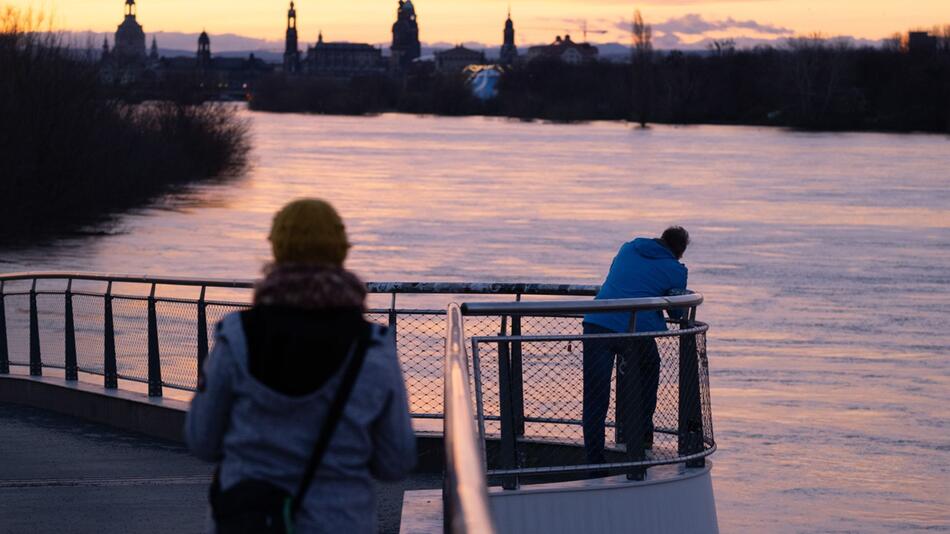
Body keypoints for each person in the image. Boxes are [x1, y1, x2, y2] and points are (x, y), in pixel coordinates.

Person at [185, 198, 416, 533]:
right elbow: (396, 462)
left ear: (277, 250)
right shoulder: (373, 348)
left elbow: (202, 440)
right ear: (340, 253)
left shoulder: (236, 338)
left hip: (246, 520)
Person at [582, 226, 690, 474]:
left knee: (595, 397)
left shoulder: (628, 247)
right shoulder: (676, 269)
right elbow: (675, 311)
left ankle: (594, 462)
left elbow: (614, 278)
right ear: (680, 250)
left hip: (597, 323)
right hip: (635, 332)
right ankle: (639, 444)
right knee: (648, 375)